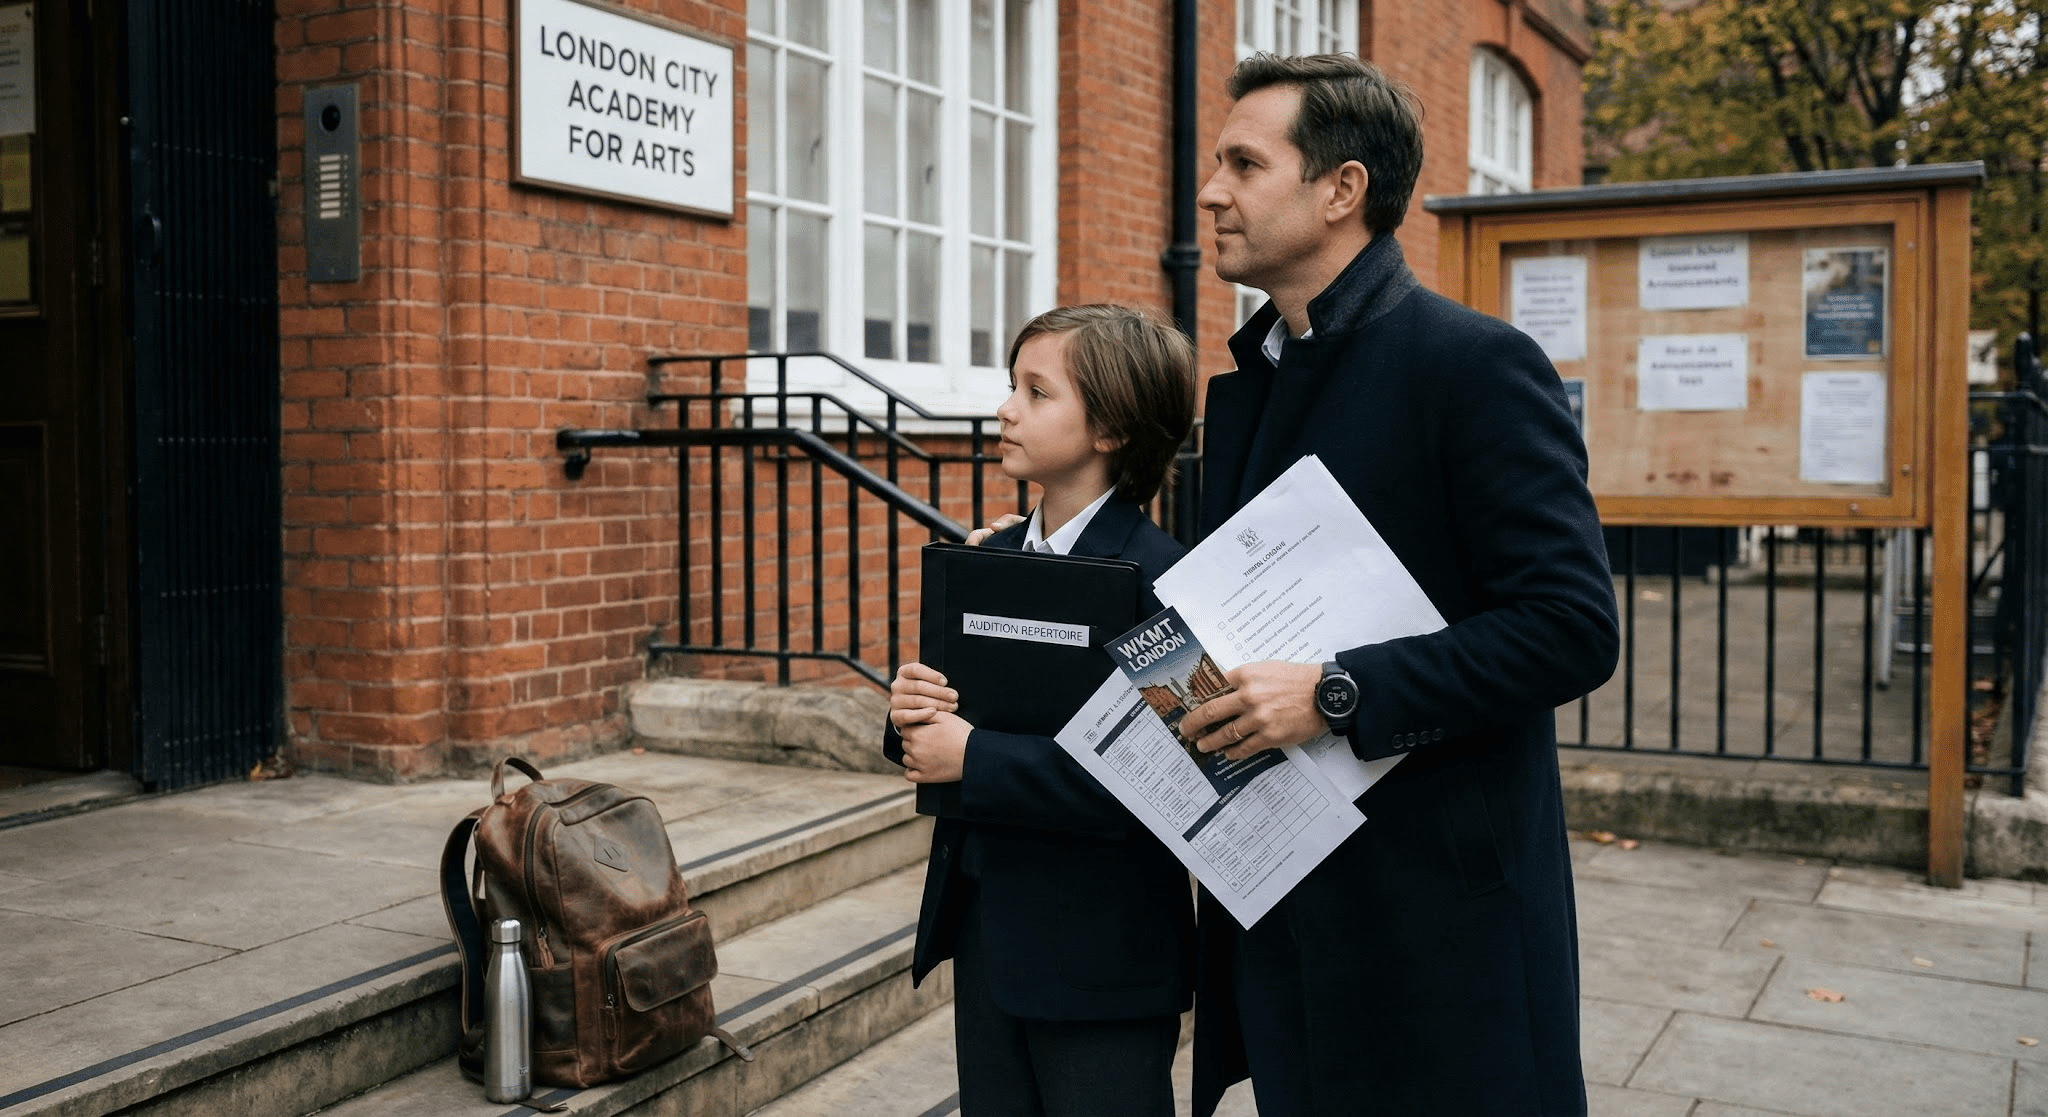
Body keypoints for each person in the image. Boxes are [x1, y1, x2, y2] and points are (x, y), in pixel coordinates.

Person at [1173, 54, 1621, 1116]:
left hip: (1435, 914)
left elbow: (1570, 625)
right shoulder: (1250, 386)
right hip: (1287, 893)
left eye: (1243, 162)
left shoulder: (1473, 366)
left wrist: (1336, 693)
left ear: (1341, 190)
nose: (1210, 190)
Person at [883, 304, 1200, 1117]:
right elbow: (947, 728)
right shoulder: (988, 559)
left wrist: (973, 755)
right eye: (1009, 385)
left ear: (1111, 430)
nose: (1005, 409)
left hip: (1105, 963)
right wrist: (911, 714)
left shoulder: (1166, 585)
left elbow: (1165, 777)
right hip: (988, 939)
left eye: (1036, 390)